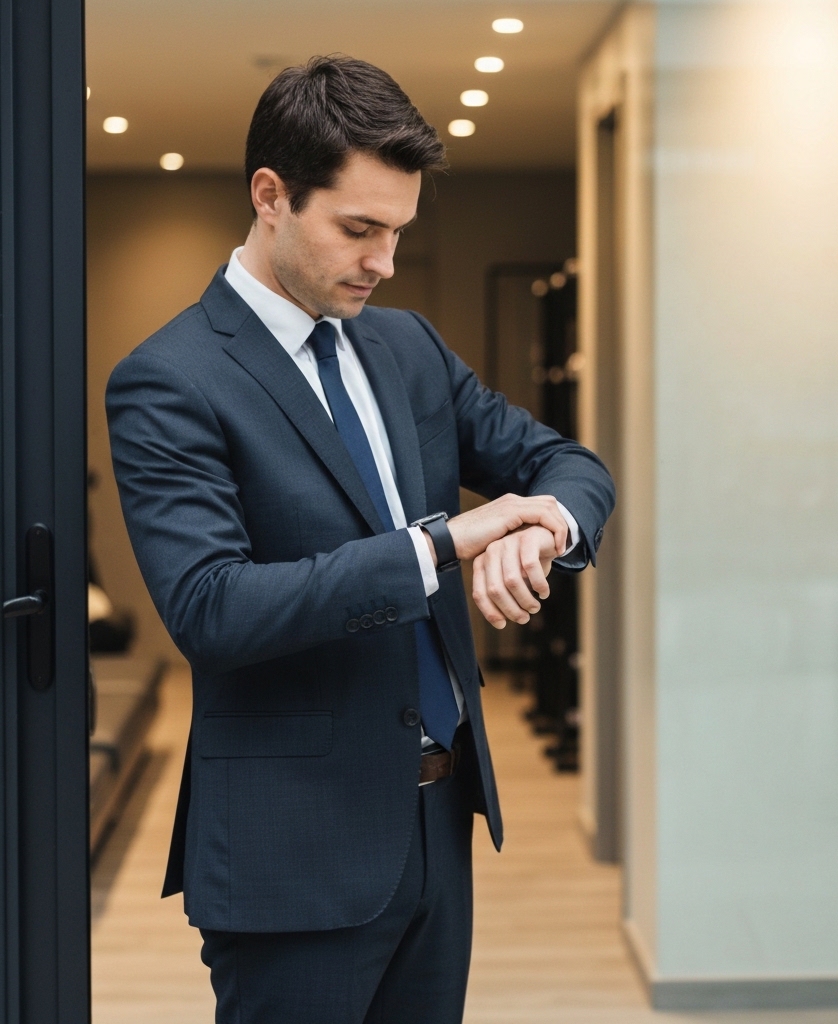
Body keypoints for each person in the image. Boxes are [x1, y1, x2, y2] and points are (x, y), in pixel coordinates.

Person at [106, 54, 614, 1024]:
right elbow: (213, 607)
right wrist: (443, 544)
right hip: (290, 852)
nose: (384, 259)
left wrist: (541, 526)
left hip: (435, 824)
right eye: (360, 228)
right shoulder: (168, 379)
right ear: (270, 196)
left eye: (398, 231)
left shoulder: (408, 347)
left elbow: (570, 465)